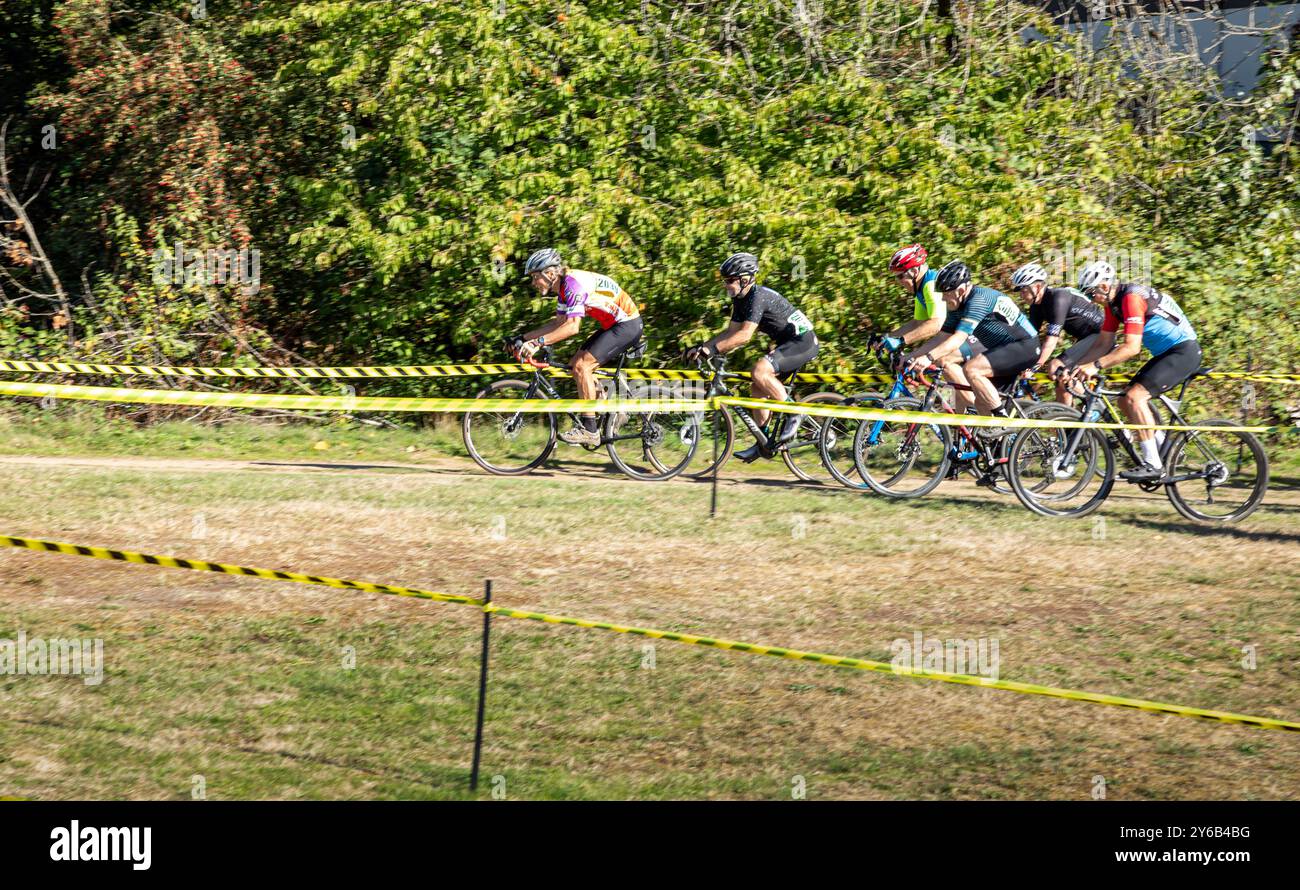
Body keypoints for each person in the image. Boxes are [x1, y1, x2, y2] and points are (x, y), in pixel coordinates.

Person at [1068, 260, 1202, 482]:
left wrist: (1096, 366)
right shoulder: (1112, 305)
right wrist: (1075, 367)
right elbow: (1103, 343)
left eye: (1092, 294)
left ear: (1104, 286)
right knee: (1124, 400)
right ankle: (1164, 448)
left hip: (1183, 351)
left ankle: (1153, 464)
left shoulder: (1131, 298)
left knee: (1134, 397)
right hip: (1167, 354)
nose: (1092, 300)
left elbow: (1132, 347)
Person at [683, 252, 819, 462]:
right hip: (788, 343)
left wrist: (714, 350)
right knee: (757, 386)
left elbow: (744, 336)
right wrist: (703, 347)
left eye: (729, 281)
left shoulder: (758, 297)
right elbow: (730, 333)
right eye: (724, 281)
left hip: (803, 341)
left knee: (759, 370)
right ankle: (764, 443)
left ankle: (794, 413)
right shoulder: (741, 300)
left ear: (745, 279)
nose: (725, 285)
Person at [514, 248, 643, 446]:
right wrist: (523, 338)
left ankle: (590, 430)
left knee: (583, 366)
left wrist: (537, 343)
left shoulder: (573, 285)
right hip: (615, 325)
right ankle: (611, 409)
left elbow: (572, 327)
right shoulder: (564, 289)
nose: (533, 283)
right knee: (575, 364)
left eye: (535, 277)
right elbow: (558, 324)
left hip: (627, 325)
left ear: (549, 274)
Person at [902, 261, 1039, 437]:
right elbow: (942, 337)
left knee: (972, 369)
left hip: (1025, 346)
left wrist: (927, 358)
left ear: (960, 291)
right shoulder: (957, 304)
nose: (943, 299)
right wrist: (911, 356)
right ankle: (994, 450)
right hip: (1002, 348)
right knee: (980, 401)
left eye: (945, 294)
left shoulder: (979, 300)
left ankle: (1003, 421)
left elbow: (958, 338)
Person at [1010, 262, 1105, 404]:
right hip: (1086, 338)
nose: (1021, 295)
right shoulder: (1036, 306)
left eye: (1023, 290)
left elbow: (1051, 340)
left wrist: (1035, 366)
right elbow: (1029, 339)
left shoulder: (1058, 297)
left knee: (1055, 366)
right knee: (1061, 385)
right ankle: (1066, 423)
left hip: (1102, 337)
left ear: (1036, 287)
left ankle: (1094, 404)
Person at [879, 244, 945, 357]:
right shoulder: (920, 287)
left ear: (914, 271)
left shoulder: (930, 285)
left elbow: (936, 324)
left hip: (975, 333)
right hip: (958, 334)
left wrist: (901, 340)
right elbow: (918, 323)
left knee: (942, 360)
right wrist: (886, 338)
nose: (898, 282)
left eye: (900, 277)